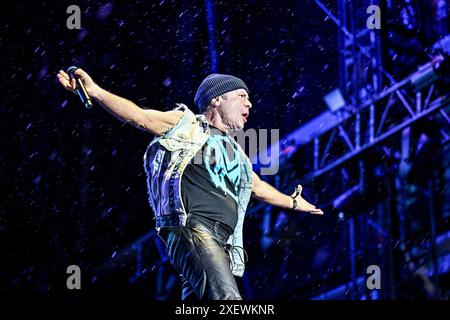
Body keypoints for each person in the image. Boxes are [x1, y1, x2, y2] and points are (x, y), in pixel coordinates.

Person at [57, 69, 324, 300]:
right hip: (194, 229)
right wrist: (96, 91)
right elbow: (140, 117)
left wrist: (292, 201)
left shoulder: (237, 154)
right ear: (217, 99)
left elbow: (256, 187)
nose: (250, 104)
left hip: (221, 241)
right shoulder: (186, 124)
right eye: (242, 96)